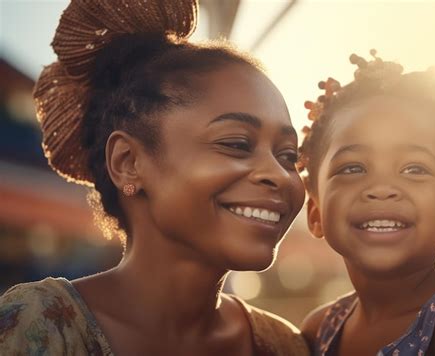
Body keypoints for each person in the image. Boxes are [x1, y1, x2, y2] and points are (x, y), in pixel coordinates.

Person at [0, 1, 309, 355]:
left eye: (288, 156)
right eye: (236, 143)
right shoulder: (36, 328)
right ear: (128, 162)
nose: (279, 175)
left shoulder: (286, 345)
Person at [298, 50, 435, 356]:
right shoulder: (319, 329)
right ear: (315, 212)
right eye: (353, 168)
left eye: (414, 169)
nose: (381, 189)